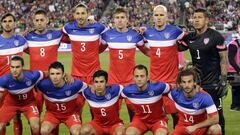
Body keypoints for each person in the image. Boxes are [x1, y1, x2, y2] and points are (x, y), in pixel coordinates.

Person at [178, 8, 228, 134]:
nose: (196, 20)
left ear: (206, 20)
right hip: (196, 85)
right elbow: (176, 48)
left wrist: (223, 79)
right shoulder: (190, 38)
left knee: (218, 117)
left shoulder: (216, 37)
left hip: (213, 84)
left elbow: (223, 59)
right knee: (198, 116)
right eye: (194, 17)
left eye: (199, 17)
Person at [143, 4, 184, 126]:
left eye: (161, 15)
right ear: (153, 17)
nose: (159, 17)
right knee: (158, 114)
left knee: (176, 113)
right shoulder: (147, 33)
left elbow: (186, 43)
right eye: (156, 15)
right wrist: (154, 55)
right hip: (155, 80)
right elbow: (144, 49)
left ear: (166, 16)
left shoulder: (176, 31)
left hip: (172, 80)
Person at [25, 9, 63, 134]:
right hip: (35, 83)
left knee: (54, 114)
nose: (39, 22)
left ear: (47, 20)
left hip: (53, 82)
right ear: (33, 22)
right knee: (35, 117)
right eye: (37, 20)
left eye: (42, 20)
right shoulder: (28, 37)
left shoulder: (57, 35)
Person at [100, 7, 149, 85]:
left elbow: (147, 52)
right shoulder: (107, 35)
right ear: (114, 20)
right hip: (112, 80)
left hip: (131, 80)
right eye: (117, 17)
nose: (120, 20)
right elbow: (97, 51)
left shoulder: (135, 35)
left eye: (122, 17)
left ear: (127, 19)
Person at [37, 61, 87, 135]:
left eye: (58, 73)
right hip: (52, 114)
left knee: (77, 132)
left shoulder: (74, 84)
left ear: (63, 74)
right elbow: (29, 80)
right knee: (43, 131)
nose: (55, 77)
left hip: (70, 115)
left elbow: (90, 88)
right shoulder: (43, 85)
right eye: (52, 74)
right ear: (49, 75)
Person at [62, 3, 106, 84]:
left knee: (95, 96)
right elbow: (60, 36)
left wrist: (97, 50)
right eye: (78, 13)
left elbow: (107, 39)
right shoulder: (68, 27)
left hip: (95, 74)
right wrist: (71, 41)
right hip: (76, 74)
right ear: (74, 15)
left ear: (88, 14)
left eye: (83, 13)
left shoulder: (98, 27)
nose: (80, 16)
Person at [169, 68, 222, 135]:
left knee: (216, 128)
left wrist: (195, 127)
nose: (187, 85)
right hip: (182, 128)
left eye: (189, 81)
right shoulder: (175, 93)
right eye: (184, 82)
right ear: (180, 83)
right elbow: (159, 88)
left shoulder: (204, 97)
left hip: (200, 128)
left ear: (194, 82)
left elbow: (215, 119)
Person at [122, 64, 169, 135]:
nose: (139, 79)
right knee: (129, 133)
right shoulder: (127, 90)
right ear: (133, 78)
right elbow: (115, 94)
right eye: (136, 76)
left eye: (142, 76)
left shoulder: (159, 87)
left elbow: (174, 88)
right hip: (140, 120)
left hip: (158, 120)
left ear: (147, 78)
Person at [0, 56, 42, 135]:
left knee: (35, 126)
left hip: (29, 104)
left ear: (22, 67)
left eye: (17, 67)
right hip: (10, 104)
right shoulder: (4, 80)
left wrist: (65, 76)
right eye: (12, 67)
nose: (14, 70)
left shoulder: (32, 76)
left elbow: (47, 73)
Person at [0, 13, 27, 135]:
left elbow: (37, 53)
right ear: (1, 24)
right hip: (1, 86)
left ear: (14, 23)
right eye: (5, 21)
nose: (7, 23)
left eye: (10, 21)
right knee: (1, 119)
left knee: (17, 117)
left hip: (17, 85)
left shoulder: (21, 40)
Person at [80, 70, 125, 135]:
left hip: (115, 125)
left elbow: (130, 91)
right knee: (84, 131)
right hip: (97, 125)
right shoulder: (87, 93)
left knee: (120, 133)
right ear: (93, 83)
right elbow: (75, 87)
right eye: (96, 82)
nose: (98, 85)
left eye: (101, 82)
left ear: (106, 83)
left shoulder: (115, 90)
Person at [227, 38, 240, 111]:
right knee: (236, 88)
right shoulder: (233, 45)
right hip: (233, 71)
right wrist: (238, 70)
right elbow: (231, 59)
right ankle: (234, 106)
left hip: (236, 70)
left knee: (237, 88)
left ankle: (236, 106)